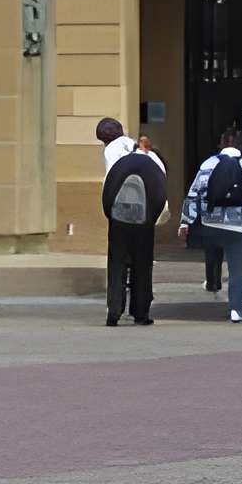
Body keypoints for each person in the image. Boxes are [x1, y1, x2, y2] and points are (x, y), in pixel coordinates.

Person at [183, 137, 242, 322]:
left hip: (211, 222)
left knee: (212, 250)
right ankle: (236, 310)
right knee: (238, 270)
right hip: (240, 226)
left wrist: (186, 221)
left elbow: (194, 193)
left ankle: (212, 281)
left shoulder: (208, 165)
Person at [99, 117, 166, 327]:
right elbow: (161, 192)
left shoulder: (116, 158)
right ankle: (141, 312)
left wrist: (111, 214)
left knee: (117, 262)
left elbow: (108, 189)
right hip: (145, 220)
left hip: (119, 219)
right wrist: (150, 219)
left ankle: (114, 310)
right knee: (143, 264)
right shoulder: (153, 160)